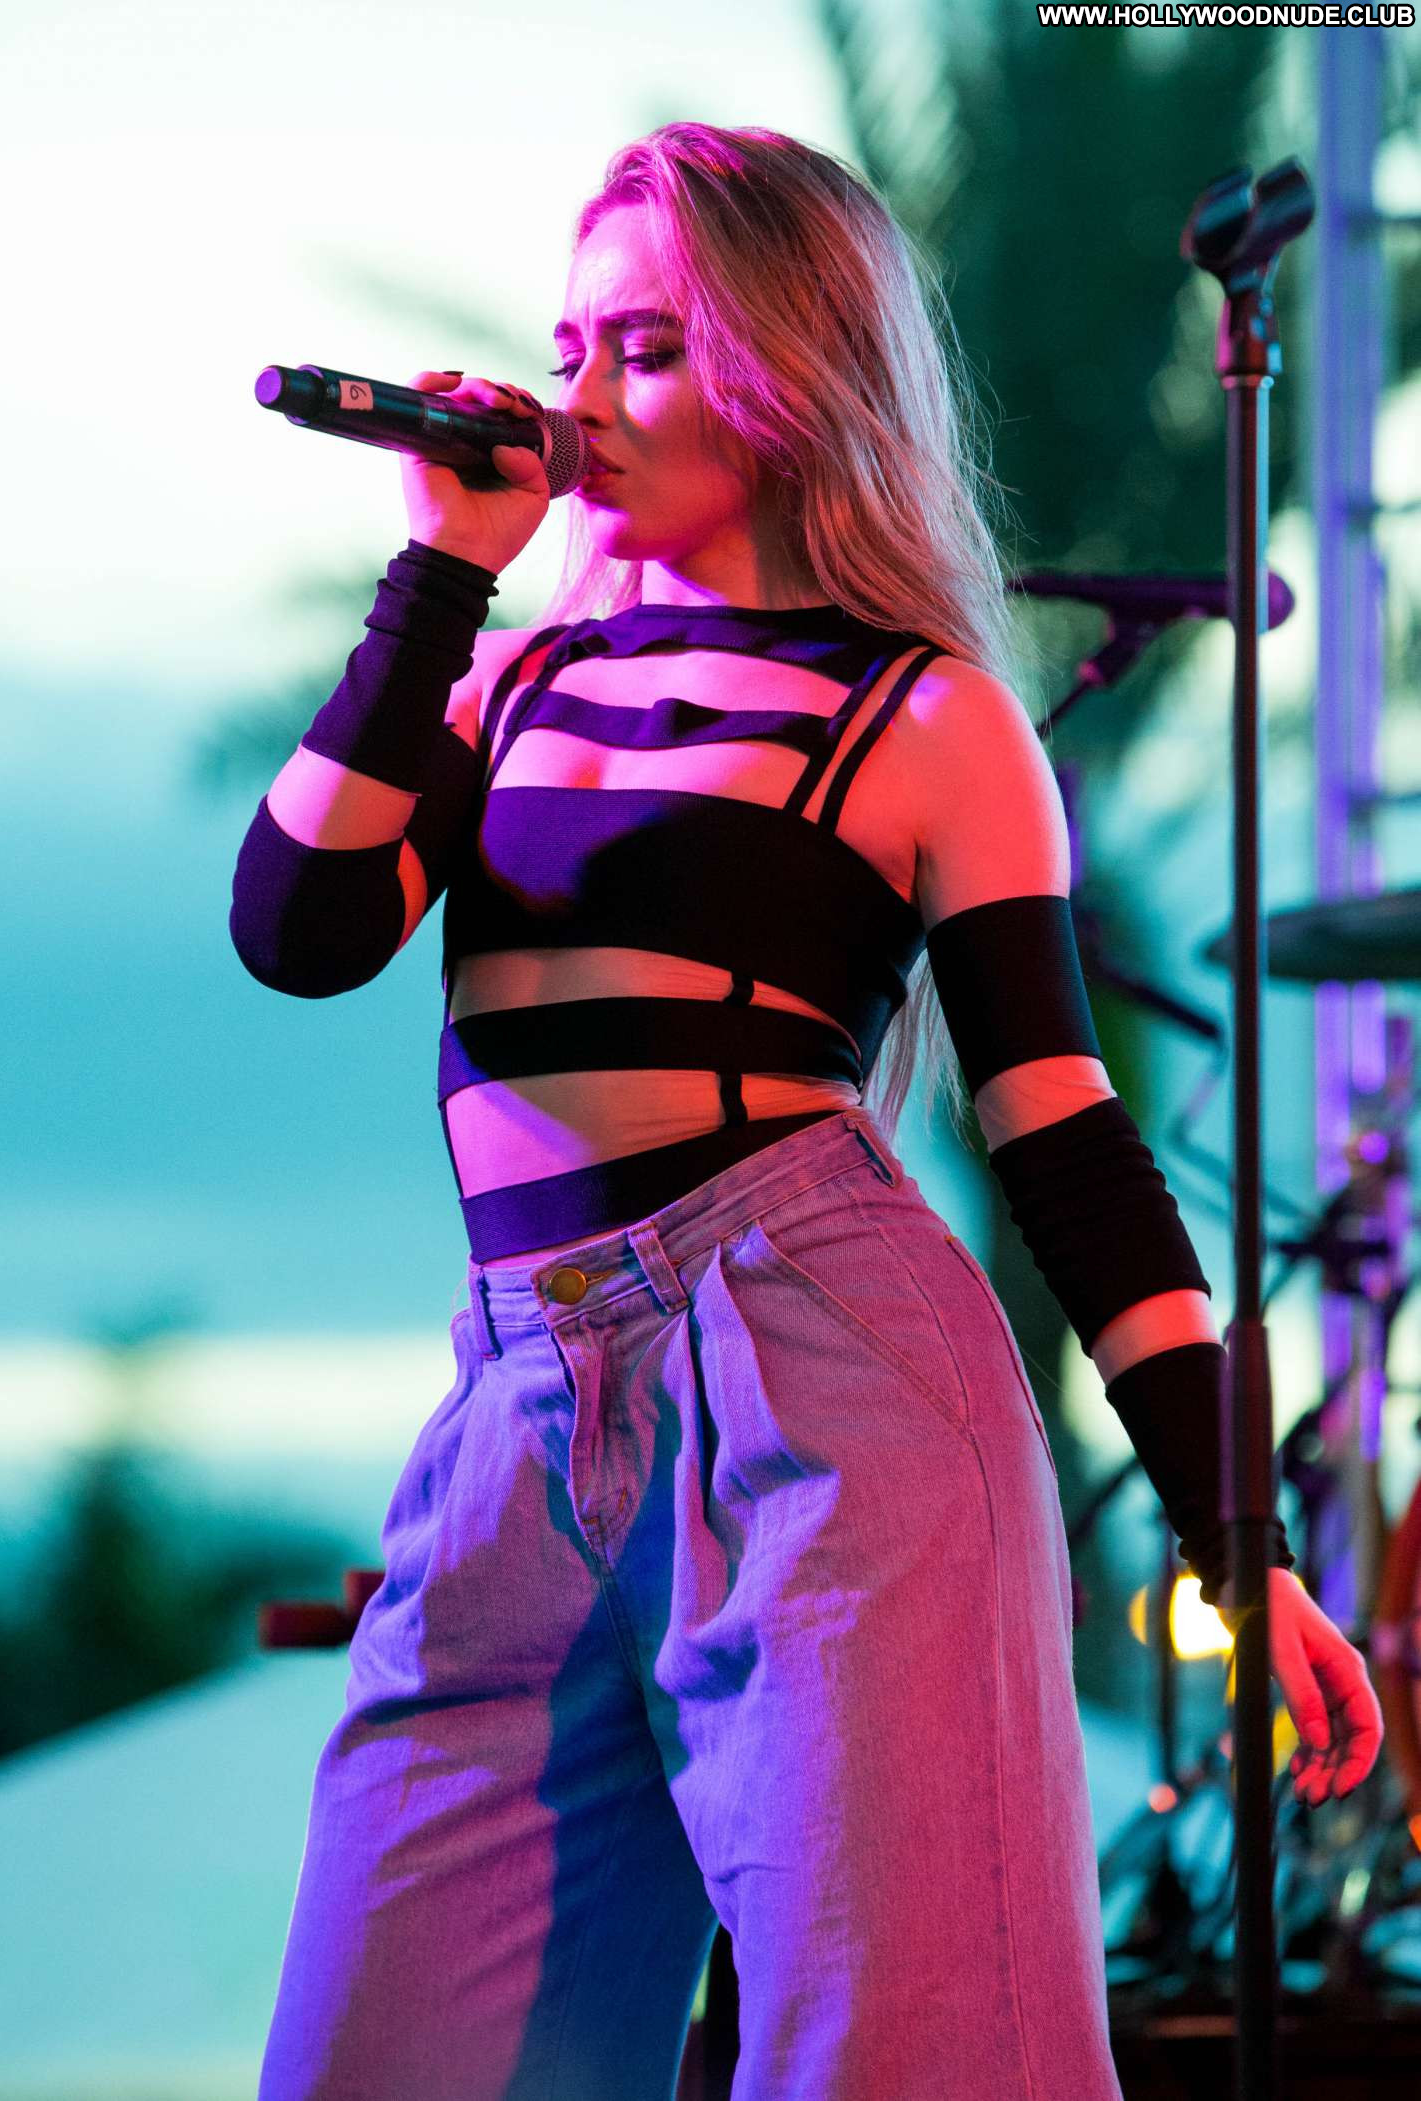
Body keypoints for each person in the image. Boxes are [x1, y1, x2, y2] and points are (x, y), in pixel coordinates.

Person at [233, 123, 1383, 2101]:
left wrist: (1234, 1536)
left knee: (900, 2051)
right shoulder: (508, 684)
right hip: (516, 1405)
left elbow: (1068, 1145)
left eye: (648, 348)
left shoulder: (929, 717)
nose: (584, 398)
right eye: (571, 347)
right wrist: (437, 571)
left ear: (793, 374)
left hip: (816, 1374)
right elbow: (296, 926)